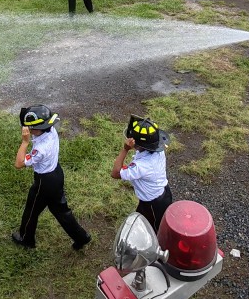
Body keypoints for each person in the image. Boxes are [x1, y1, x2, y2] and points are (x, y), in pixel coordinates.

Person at [12, 105, 91, 250]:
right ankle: (81, 237)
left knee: (31, 210)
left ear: (36, 129)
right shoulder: (51, 130)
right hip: (56, 173)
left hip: (44, 182)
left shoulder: (40, 149)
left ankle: (26, 239)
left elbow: (19, 163)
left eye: (29, 128)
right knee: (60, 210)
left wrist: (25, 142)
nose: (27, 130)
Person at [110, 116, 172, 232]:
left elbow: (115, 173)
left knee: (154, 230)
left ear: (137, 145)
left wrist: (125, 149)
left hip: (153, 203)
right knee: (142, 219)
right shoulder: (158, 150)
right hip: (162, 193)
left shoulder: (142, 166)